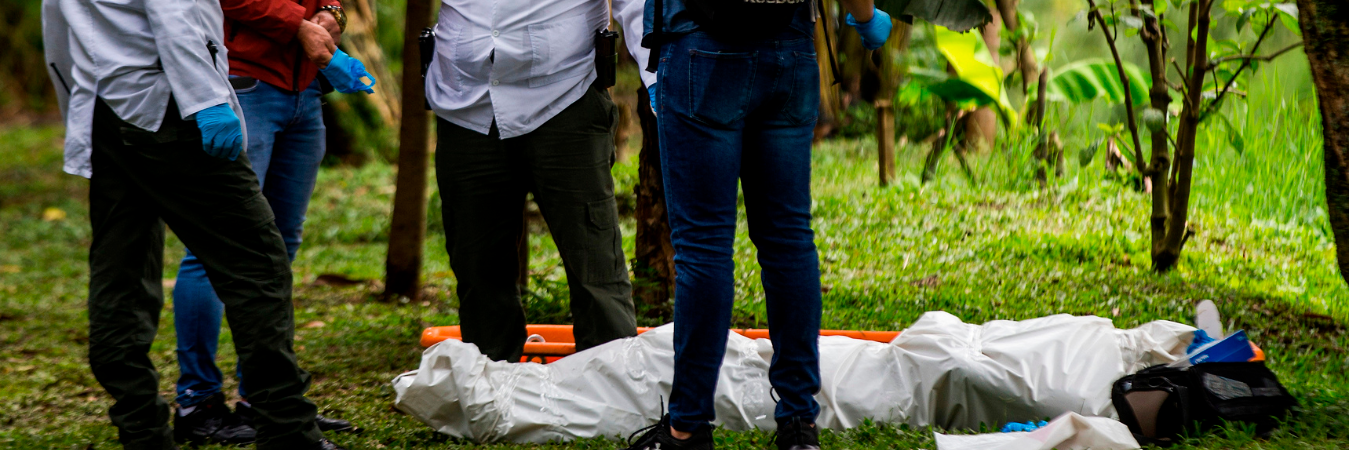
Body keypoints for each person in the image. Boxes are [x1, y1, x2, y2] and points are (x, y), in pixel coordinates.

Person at [42, 0, 346, 448]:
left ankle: (142, 431)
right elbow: (174, 12)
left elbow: (59, 22)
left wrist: (82, 101)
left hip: (105, 104)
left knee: (122, 271)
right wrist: (207, 102)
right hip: (170, 104)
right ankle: (288, 431)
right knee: (259, 261)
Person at [620, 1, 891, 450]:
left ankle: (687, 428)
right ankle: (799, 423)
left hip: (698, 47)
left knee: (704, 247)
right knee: (789, 240)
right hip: (789, 48)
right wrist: (866, 18)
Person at [168, 0, 375, 445]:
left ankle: (263, 399)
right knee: (215, 248)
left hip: (306, 93)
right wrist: (297, 25)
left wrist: (331, 13)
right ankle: (197, 403)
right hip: (244, 88)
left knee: (280, 246)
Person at [425, 0, 656, 362]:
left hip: (566, 96)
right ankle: (489, 388)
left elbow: (636, 4)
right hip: (466, 104)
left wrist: (658, 78)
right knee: (478, 271)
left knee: (594, 267)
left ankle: (613, 386)